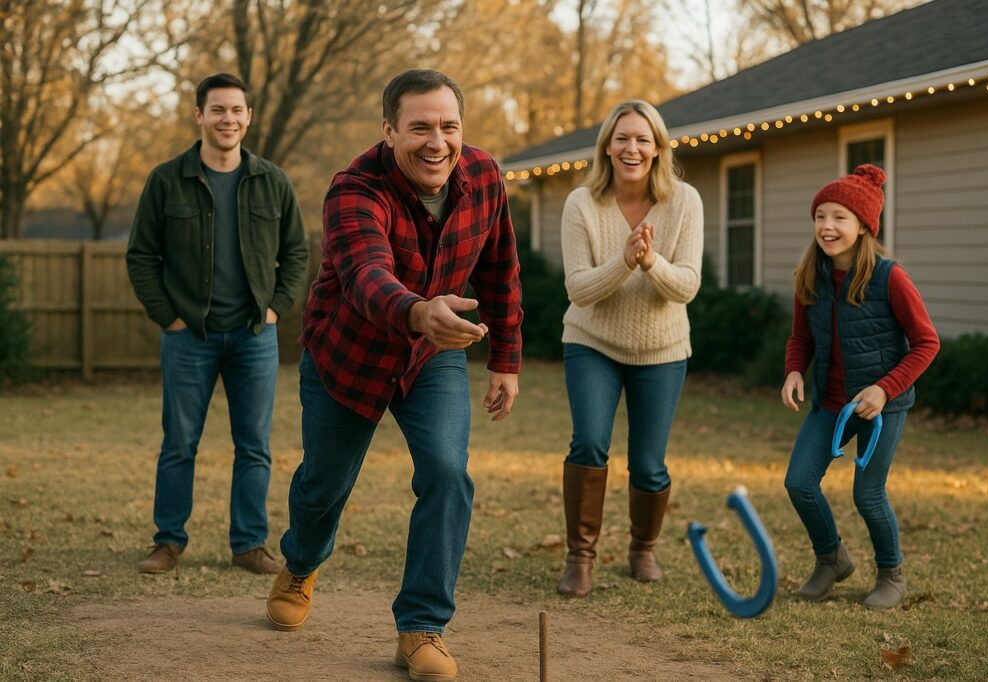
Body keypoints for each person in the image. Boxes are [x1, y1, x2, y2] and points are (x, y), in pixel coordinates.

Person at [265, 69, 522, 682]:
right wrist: (415, 310)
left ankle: (421, 628)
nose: (437, 142)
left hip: (432, 358)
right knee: (324, 485)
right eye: (420, 128)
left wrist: (507, 360)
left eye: (449, 126)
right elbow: (366, 274)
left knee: (447, 471)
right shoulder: (354, 189)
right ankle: (300, 564)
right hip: (349, 355)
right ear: (389, 132)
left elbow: (500, 269)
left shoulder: (484, 176)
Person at [126, 73, 309, 575]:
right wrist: (170, 316)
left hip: (254, 335)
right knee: (179, 443)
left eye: (236, 111)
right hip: (191, 338)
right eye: (217, 110)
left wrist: (275, 308)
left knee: (254, 445)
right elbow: (141, 255)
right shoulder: (167, 179)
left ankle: (248, 545)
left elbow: (297, 252)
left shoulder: (273, 180)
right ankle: (168, 542)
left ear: (248, 117)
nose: (227, 119)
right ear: (199, 116)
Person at [556, 100, 703, 598]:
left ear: (659, 149)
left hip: (662, 350)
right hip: (591, 342)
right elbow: (578, 289)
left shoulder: (685, 201)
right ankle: (580, 558)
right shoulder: (582, 203)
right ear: (607, 147)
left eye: (643, 139)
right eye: (622, 139)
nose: (632, 148)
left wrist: (650, 262)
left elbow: (686, 286)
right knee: (590, 443)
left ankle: (643, 549)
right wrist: (623, 260)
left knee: (648, 464)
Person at [781, 164, 939, 609]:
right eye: (820, 217)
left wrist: (885, 390)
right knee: (799, 484)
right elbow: (801, 338)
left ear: (864, 226)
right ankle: (831, 559)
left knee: (867, 494)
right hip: (830, 403)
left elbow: (927, 343)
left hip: (880, 406)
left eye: (839, 217)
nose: (827, 226)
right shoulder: (809, 277)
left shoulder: (890, 277)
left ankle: (891, 574)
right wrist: (795, 370)